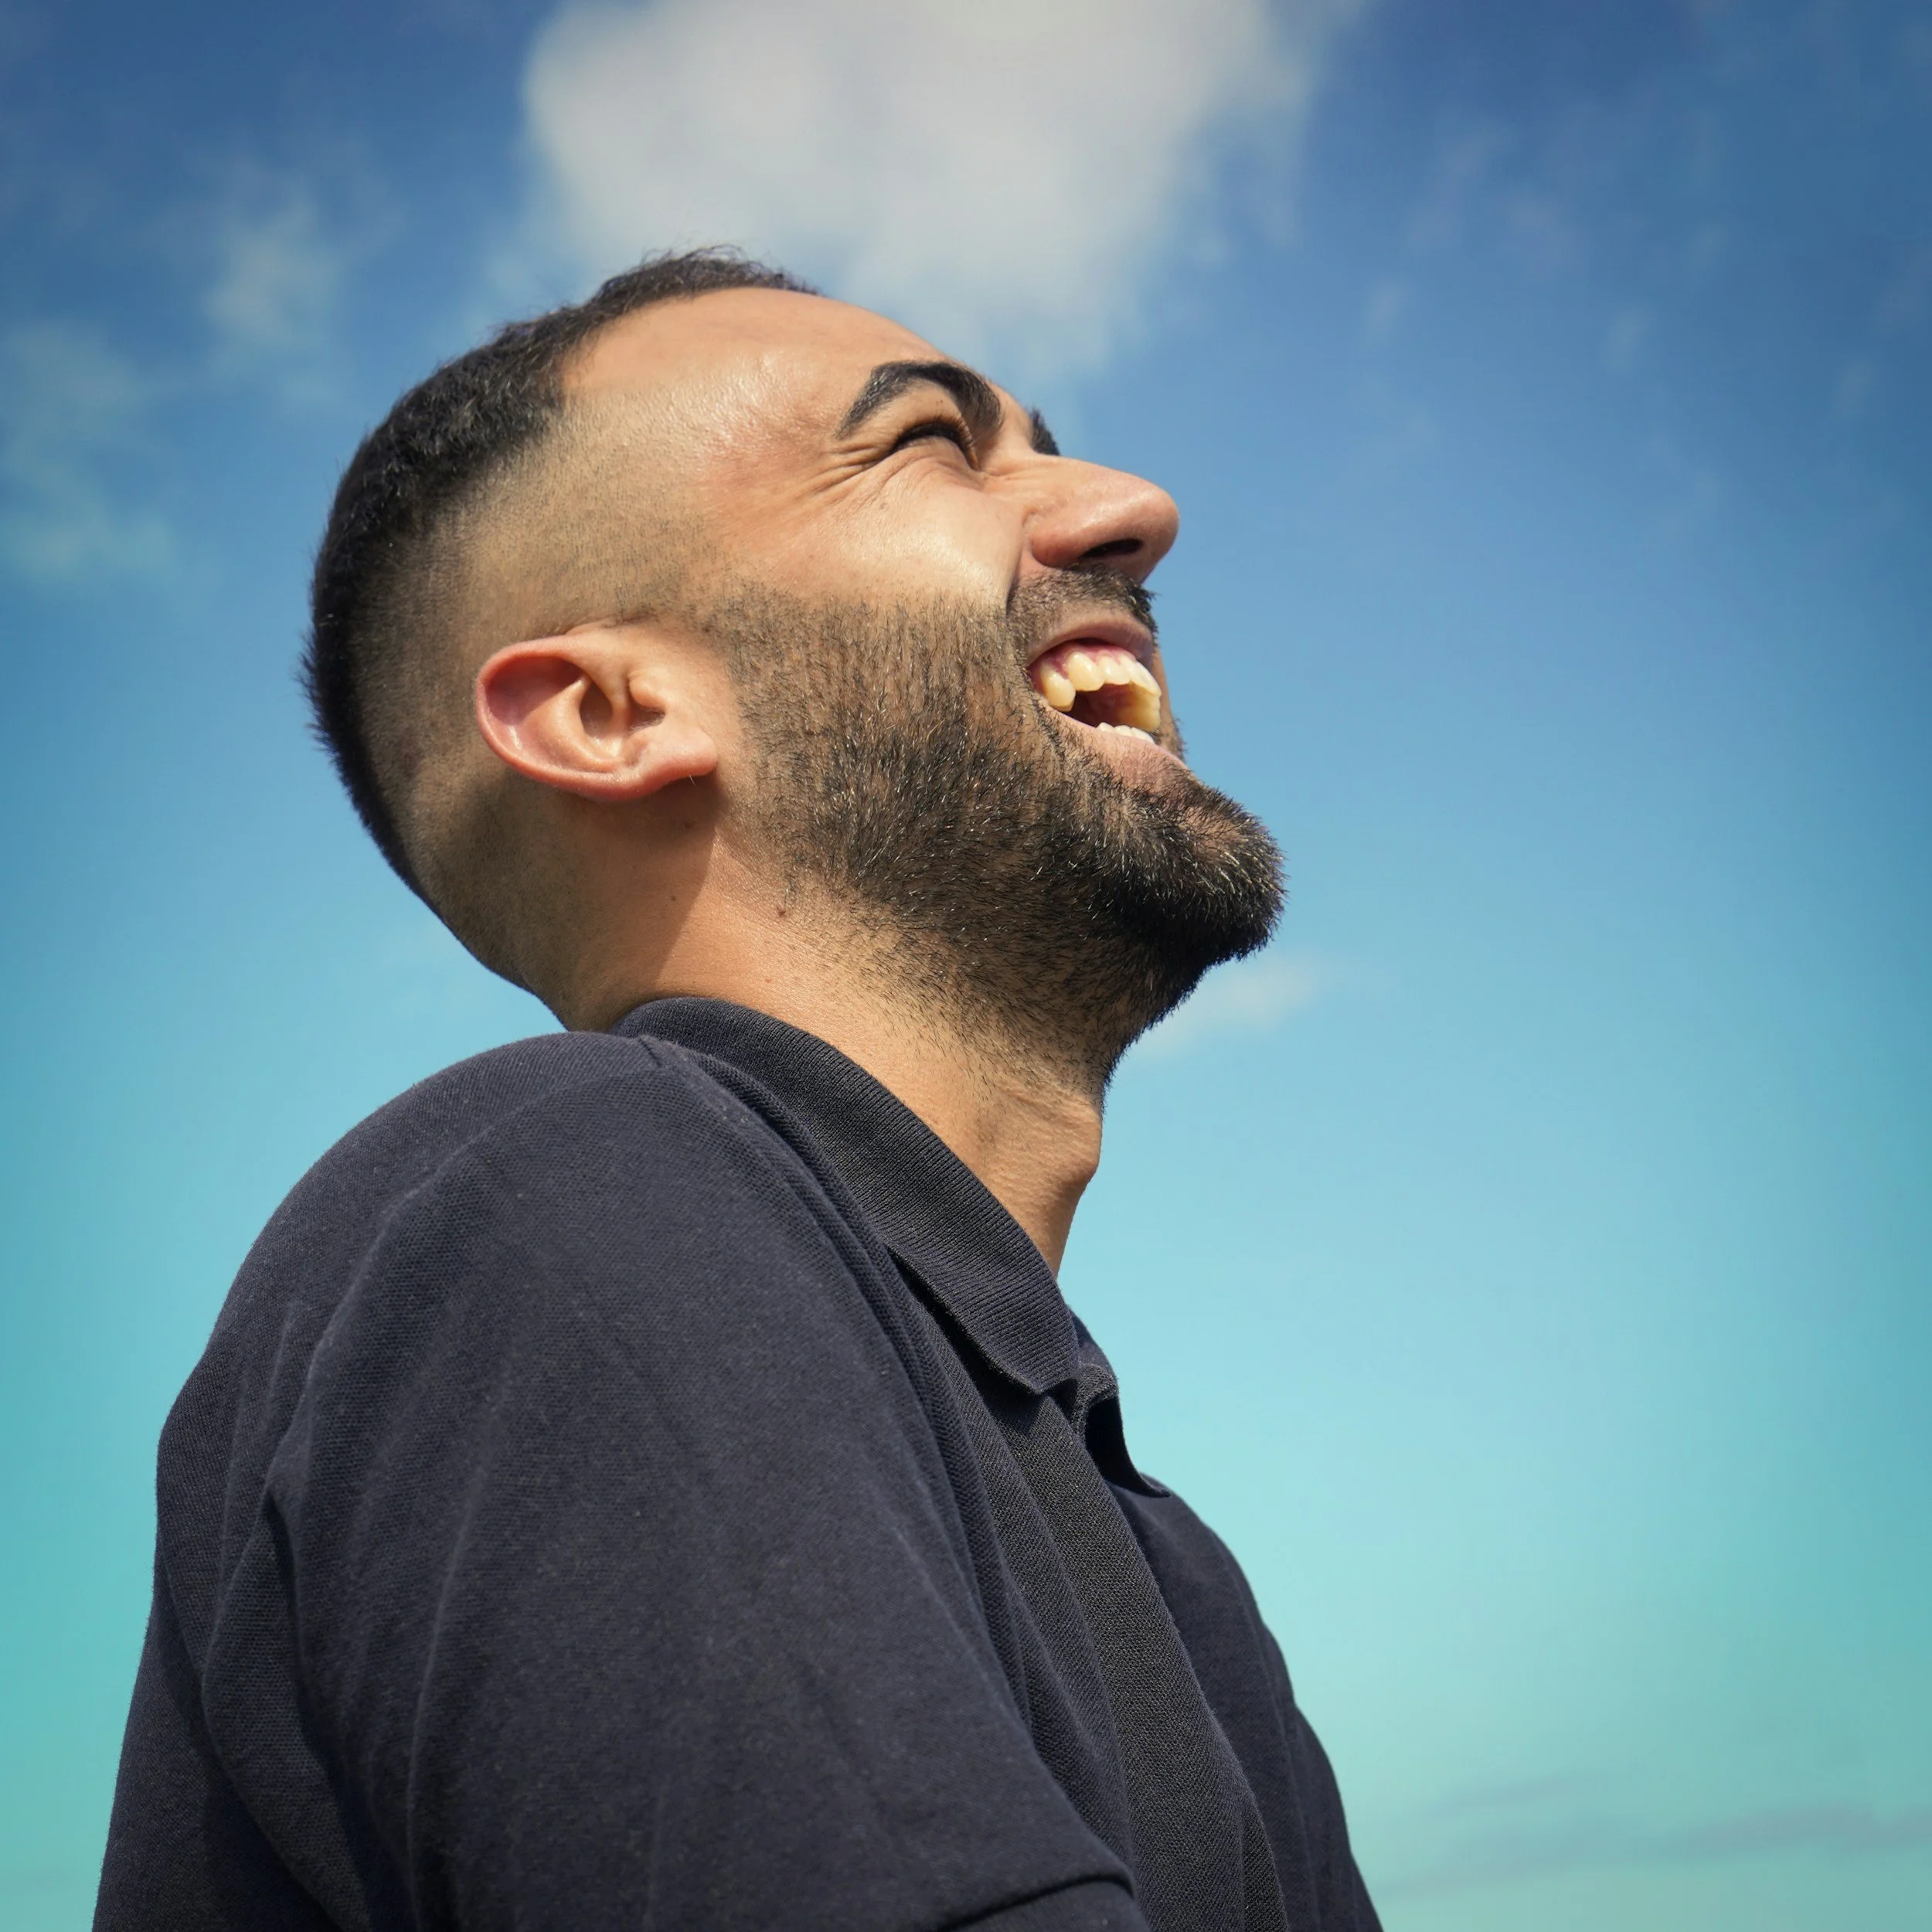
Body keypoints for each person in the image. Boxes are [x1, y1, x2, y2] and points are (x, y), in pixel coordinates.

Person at [95, 249, 1381, 1932]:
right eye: (928, 444)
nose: (1132, 508)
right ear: (609, 711)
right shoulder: (562, 1198)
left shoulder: (1163, 1555)